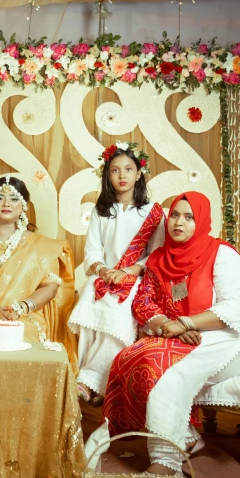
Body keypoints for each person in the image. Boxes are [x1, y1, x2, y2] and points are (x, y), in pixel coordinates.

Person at [101, 192, 240, 475]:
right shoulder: (158, 259)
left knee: (168, 371)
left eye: (189, 217)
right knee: (130, 356)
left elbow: (232, 310)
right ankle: (188, 439)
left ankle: (165, 460)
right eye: (174, 215)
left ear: (202, 221)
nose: (178, 222)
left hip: (232, 338)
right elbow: (145, 303)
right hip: (183, 337)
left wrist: (186, 323)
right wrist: (166, 326)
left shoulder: (222, 254)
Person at [68, 143, 164, 405]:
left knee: (119, 313)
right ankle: (93, 380)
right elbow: (91, 253)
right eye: (115, 170)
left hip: (137, 280)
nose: (122, 176)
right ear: (107, 175)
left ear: (139, 174)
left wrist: (129, 271)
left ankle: (90, 382)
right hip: (105, 277)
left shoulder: (153, 212)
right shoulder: (101, 210)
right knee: (90, 295)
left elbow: (156, 255)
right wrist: (104, 270)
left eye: (128, 169)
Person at [0, 176, 76, 351]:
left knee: (23, 336)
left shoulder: (41, 245)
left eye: (14, 198)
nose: (6, 204)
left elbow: (50, 287)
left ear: (23, 205)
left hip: (24, 317)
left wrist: (19, 309)